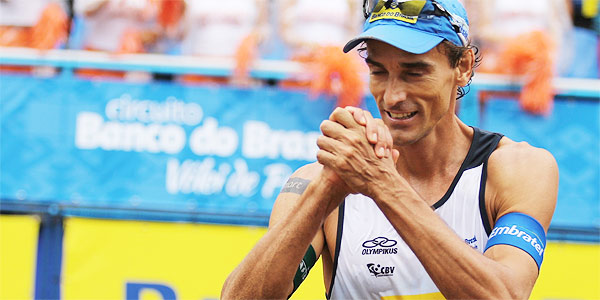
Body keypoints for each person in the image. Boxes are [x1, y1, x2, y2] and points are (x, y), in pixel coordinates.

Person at [221, 0, 558, 298]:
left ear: (464, 67)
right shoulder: (316, 183)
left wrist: (384, 184)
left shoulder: (517, 168)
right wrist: (326, 190)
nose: (393, 96)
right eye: (378, 72)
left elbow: (506, 295)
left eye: (415, 73)